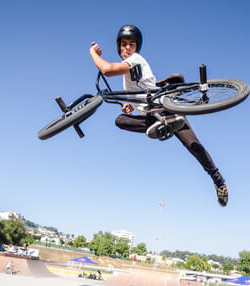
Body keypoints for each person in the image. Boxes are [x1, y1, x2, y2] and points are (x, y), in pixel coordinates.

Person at [89, 25, 229, 207]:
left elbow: (107, 69)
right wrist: (129, 105)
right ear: (119, 47)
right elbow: (137, 95)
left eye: (131, 45)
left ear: (136, 48)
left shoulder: (136, 59)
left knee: (193, 146)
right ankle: (162, 125)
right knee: (119, 120)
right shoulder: (127, 77)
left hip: (166, 109)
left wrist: (94, 54)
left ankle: (219, 182)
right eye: (124, 45)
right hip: (152, 116)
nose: (127, 48)